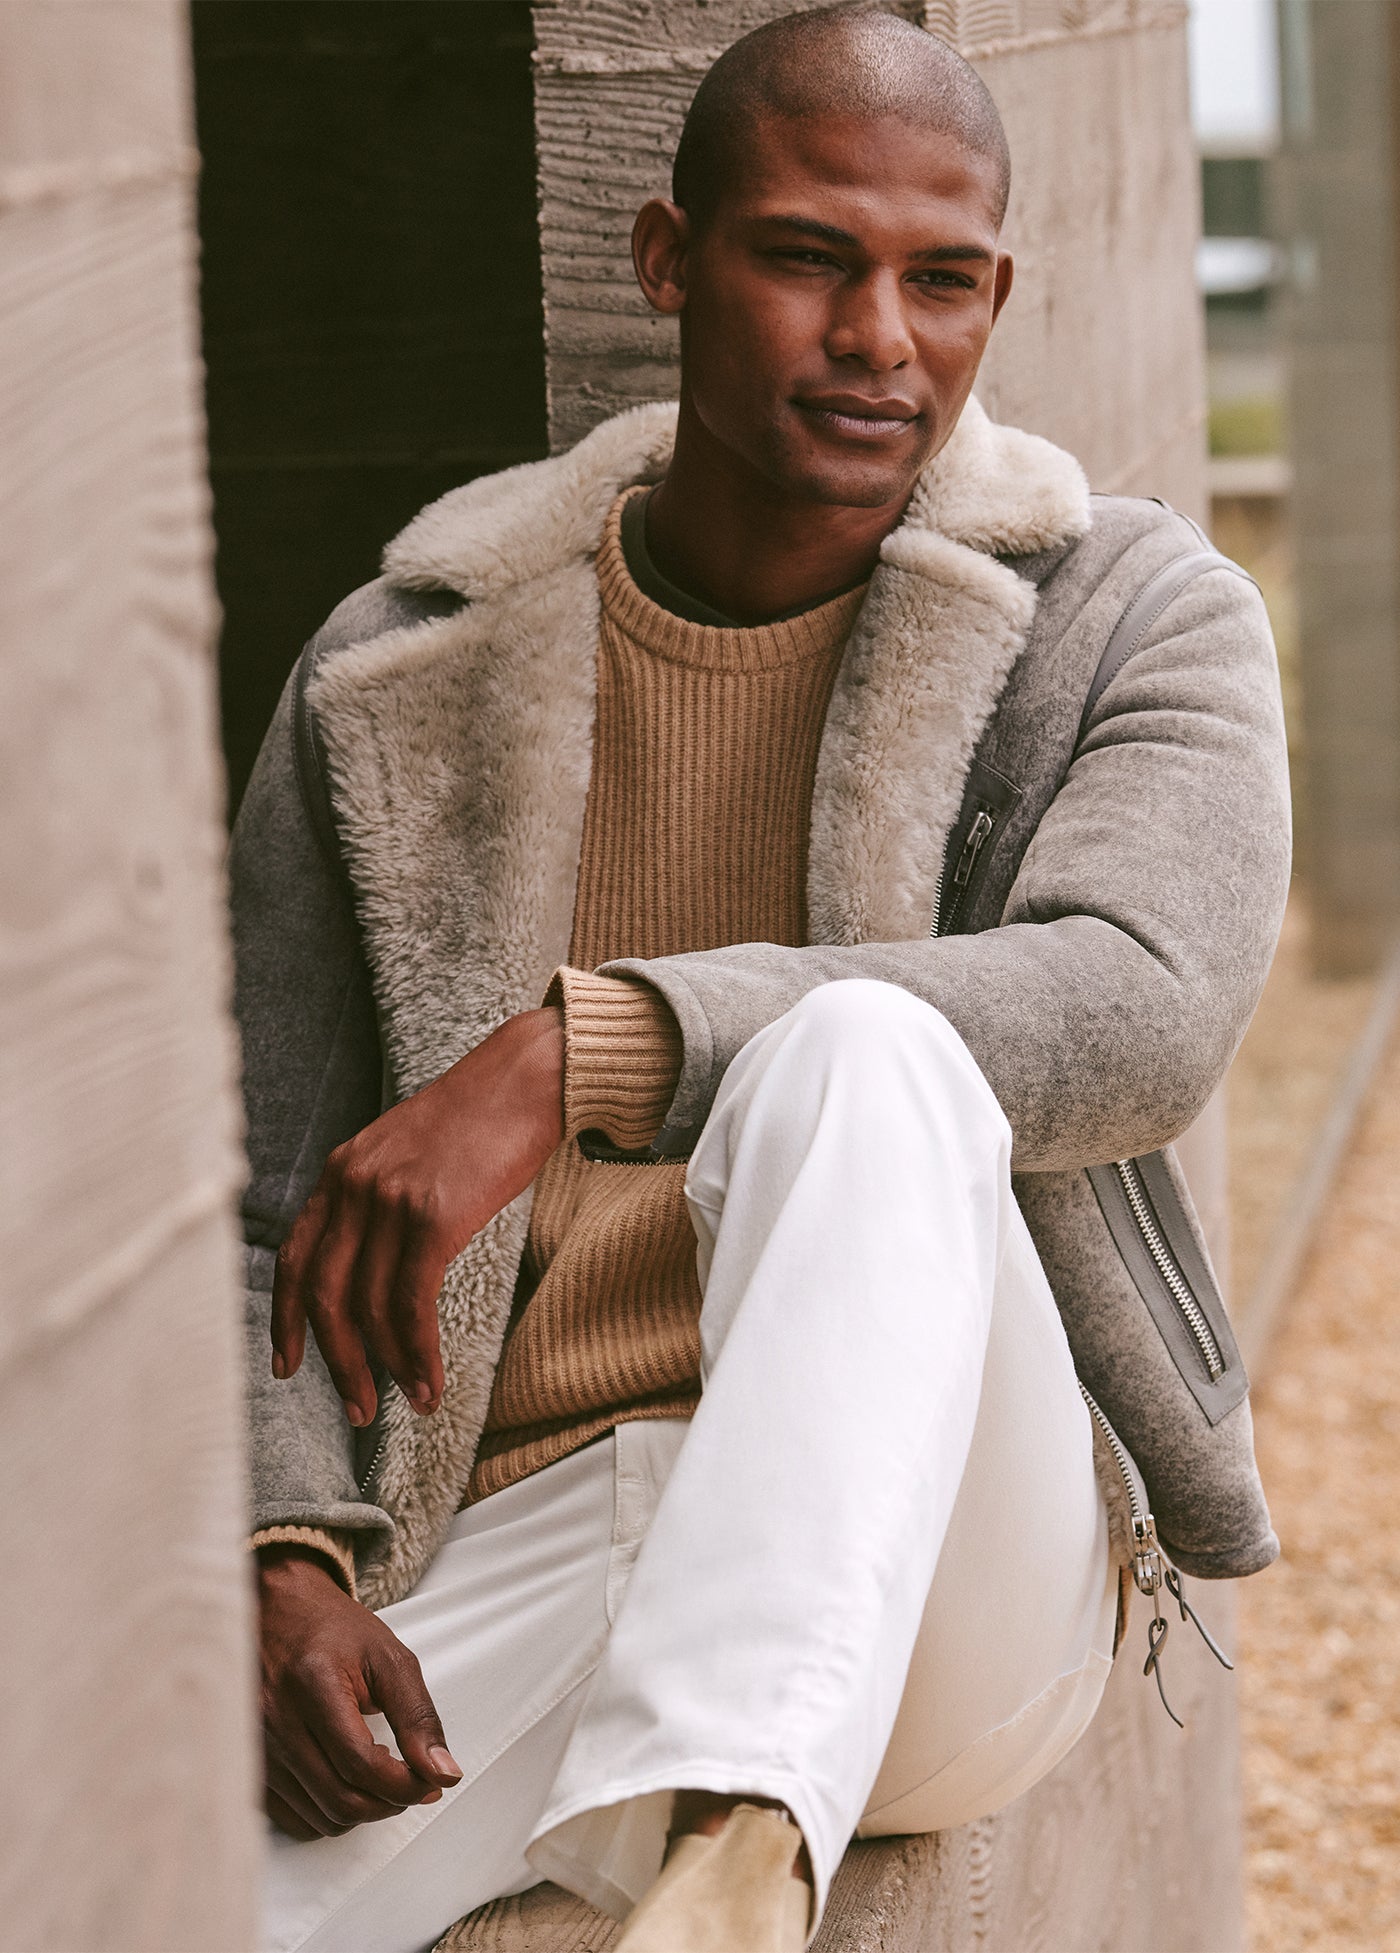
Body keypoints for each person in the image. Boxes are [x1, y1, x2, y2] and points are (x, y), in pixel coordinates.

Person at [236, 8, 1291, 1950]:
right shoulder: (399, 668)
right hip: (532, 1526)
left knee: (868, 1049)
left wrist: (588, 1049)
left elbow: (1138, 1011)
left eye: (941, 280)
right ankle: (692, 1800)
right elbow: (261, 1189)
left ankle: (739, 1852)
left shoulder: (1131, 615)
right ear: (670, 260)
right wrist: (286, 1550)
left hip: (953, 1555)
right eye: (808, 258)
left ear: (997, 299)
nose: (879, 335)